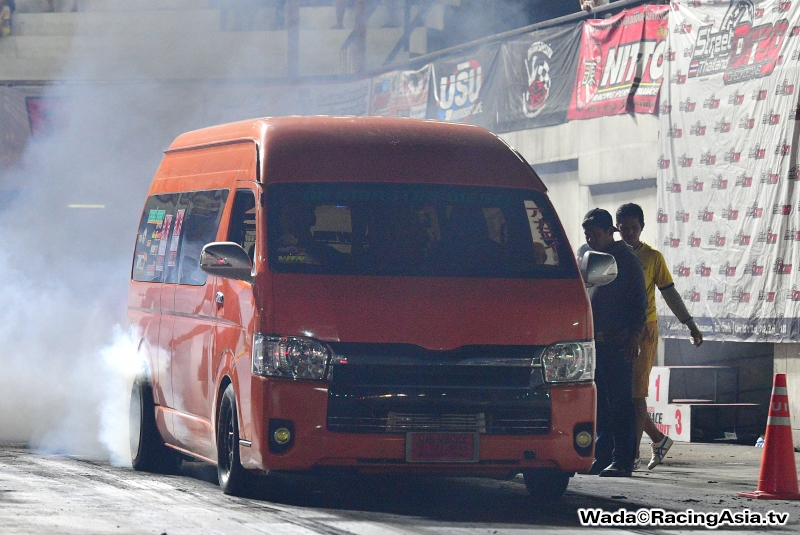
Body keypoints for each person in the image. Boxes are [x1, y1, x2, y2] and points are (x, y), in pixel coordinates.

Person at [616, 203, 703, 470]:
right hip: (615, 332)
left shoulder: (653, 258)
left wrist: (689, 324)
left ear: (642, 227)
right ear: (617, 229)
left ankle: (629, 455)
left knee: (635, 394)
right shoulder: (610, 255)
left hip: (644, 330)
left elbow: (670, 293)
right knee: (619, 395)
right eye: (624, 228)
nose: (630, 232)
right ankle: (658, 439)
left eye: (634, 227)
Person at [582, 208, 648, 477]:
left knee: (620, 403)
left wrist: (634, 335)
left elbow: (639, 301)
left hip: (619, 342)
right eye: (587, 235)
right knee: (602, 403)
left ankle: (623, 460)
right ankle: (602, 455)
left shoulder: (625, 259)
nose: (591, 239)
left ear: (611, 231)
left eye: (596, 234)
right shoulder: (594, 258)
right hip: (597, 343)